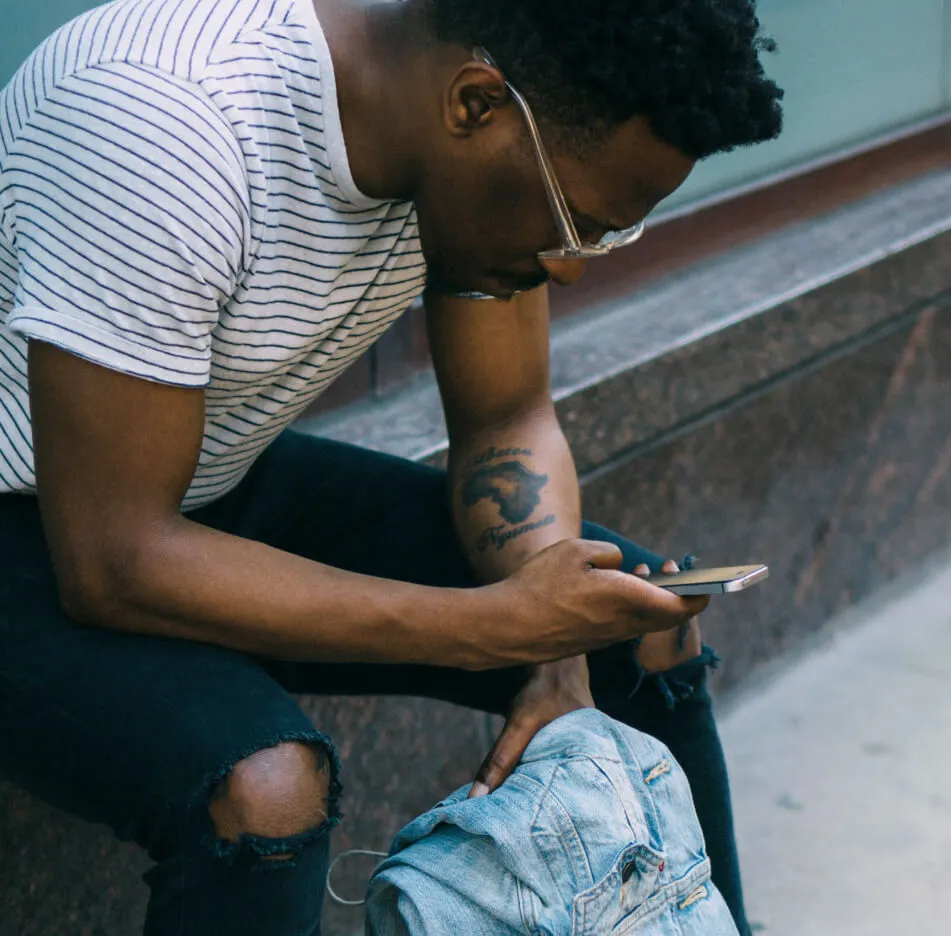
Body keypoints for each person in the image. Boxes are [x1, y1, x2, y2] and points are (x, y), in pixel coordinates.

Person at [0, 0, 783, 933]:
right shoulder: (167, 122)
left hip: (196, 476)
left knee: (637, 626)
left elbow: (506, 418)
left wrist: (554, 642)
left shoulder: (457, 144)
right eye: (576, 223)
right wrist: (487, 628)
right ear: (476, 105)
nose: (572, 268)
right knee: (266, 789)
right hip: (56, 519)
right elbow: (114, 561)